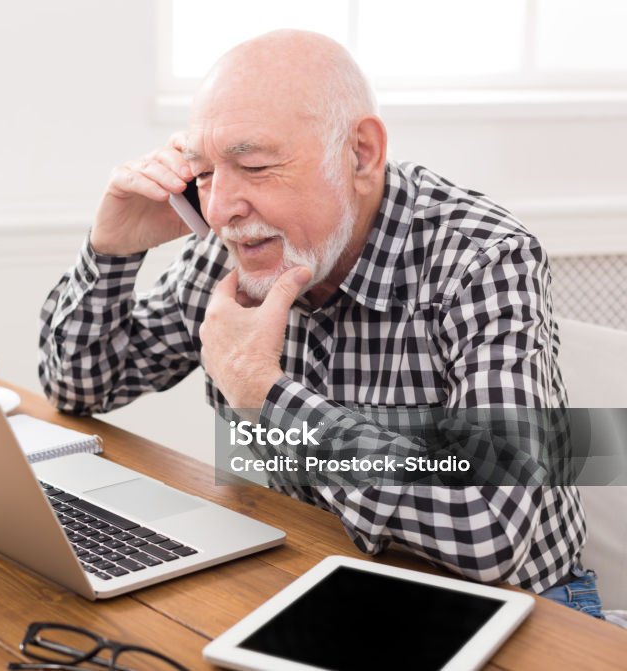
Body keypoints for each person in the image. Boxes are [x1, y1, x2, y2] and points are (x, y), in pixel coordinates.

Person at [38, 29, 598, 612]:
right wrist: (112, 254)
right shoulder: (231, 247)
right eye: (202, 173)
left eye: (252, 165)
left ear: (361, 153)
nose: (221, 208)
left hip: (526, 611)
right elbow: (80, 386)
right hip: (317, 582)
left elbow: (490, 528)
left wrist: (262, 391)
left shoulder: (483, 258)